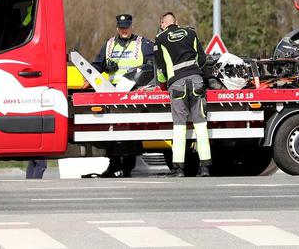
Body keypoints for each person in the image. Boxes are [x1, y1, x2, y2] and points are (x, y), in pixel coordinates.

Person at [89, 14, 154, 178]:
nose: (124, 30)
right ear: (117, 28)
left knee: (131, 131)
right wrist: (99, 70)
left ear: (132, 26)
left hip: (134, 93)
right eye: (121, 27)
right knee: (113, 131)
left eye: (127, 26)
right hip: (113, 93)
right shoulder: (109, 44)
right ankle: (114, 165)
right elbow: (97, 65)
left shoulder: (143, 44)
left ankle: (128, 167)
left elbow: (153, 64)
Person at [154, 12, 211, 177]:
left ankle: (179, 169)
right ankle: (205, 167)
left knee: (179, 127)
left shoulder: (160, 39)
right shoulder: (191, 33)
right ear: (176, 22)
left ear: (162, 24)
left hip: (177, 84)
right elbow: (202, 58)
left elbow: (161, 69)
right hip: (197, 81)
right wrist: (195, 72)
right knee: (201, 125)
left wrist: (164, 83)